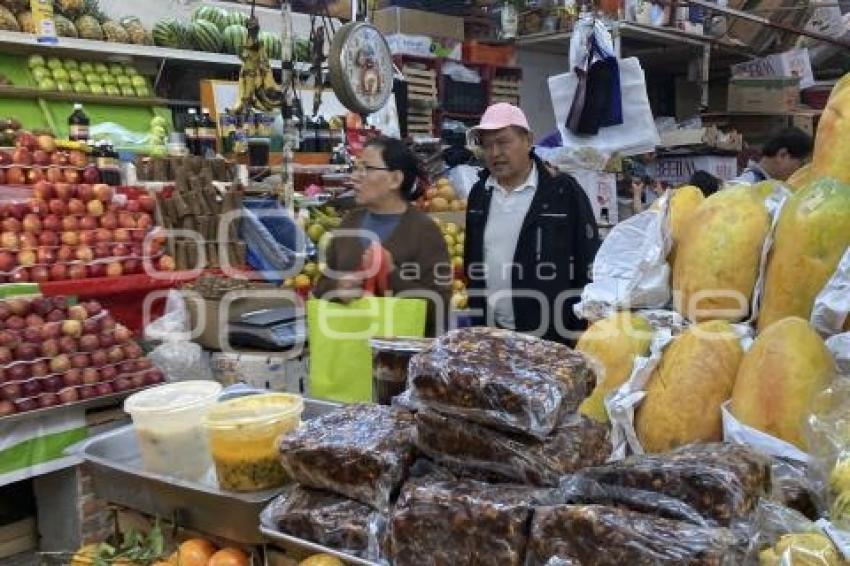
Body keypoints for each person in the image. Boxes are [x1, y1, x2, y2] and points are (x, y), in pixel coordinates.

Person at [463, 103, 600, 344]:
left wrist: (578, 329)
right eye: (487, 144)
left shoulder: (563, 192)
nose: (494, 153)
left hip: (550, 336)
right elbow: (471, 261)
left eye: (503, 142)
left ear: (528, 141)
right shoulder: (479, 194)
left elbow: (588, 261)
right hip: (492, 334)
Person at [313, 137, 450, 335]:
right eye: (356, 168)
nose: (356, 177)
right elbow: (320, 287)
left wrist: (391, 275)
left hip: (400, 350)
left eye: (367, 169)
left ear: (395, 179)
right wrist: (338, 287)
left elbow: (440, 308)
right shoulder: (349, 222)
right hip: (348, 346)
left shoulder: (424, 231)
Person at [733, 127, 813, 183]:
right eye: (801, 164)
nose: (801, 171)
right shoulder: (746, 185)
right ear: (782, 155)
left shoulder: (773, 185)